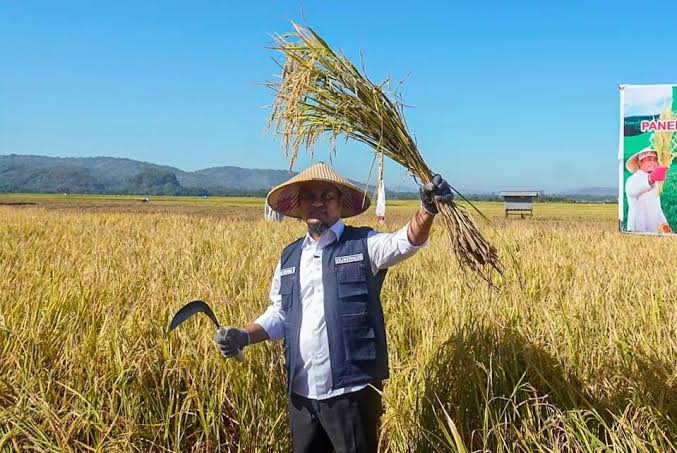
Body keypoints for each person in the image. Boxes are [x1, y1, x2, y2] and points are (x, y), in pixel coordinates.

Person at [214, 162, 453, 453]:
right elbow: (279, 313)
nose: (317, 203)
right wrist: (243, 335)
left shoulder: (364, 244)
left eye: (327, 196)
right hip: (301, 396)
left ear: (340, 203)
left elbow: (406, 242)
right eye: (309, 197)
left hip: (350, 394)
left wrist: (427, 209)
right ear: (299, 206)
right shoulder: (289, 257)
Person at [625, 147, 671, 233]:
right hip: (637, 229)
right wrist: (651, 178)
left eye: (655, 159)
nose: (653, 162)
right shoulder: (632, 179)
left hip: (655, 229)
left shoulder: (656, 182)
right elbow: (633, 191)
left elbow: (657, 207)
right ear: (640, 162)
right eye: (649, 159)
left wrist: (664, 224)